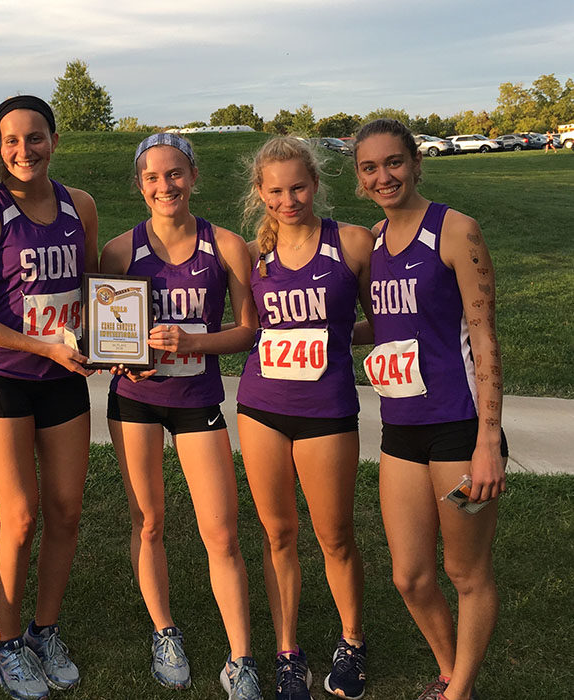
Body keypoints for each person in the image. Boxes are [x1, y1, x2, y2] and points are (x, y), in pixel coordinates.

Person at [100, 133, 262, 699]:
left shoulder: (226, 245)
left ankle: (241, 657)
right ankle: (164, 630)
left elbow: (247, 331)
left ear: (193, 177)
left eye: (175, 174)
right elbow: (109, 334)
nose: (165, 186)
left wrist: (191, 340)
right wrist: (123, 355)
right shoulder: (121, 251)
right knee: (148, 522)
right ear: (139, 185)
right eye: (152, 177)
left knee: (221, 532)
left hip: (197, 402)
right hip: (137, 403)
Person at [0, 95, 98, 700]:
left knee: (65, 510)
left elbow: (92, 291)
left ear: (54, 141)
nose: (23, 151)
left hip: (63, 379)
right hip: (2, 379)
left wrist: (115, 342)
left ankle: (44, 630)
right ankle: (7, 644)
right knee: (22, 514)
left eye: (34, 138)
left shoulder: (78, 205)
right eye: (10, 141)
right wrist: (43, 347)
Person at [353, 119, 508, 700]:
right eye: (370, 167)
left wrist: (488, 442)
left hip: (459, 430)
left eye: (393, 162)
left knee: (466, 573)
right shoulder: (373, 242)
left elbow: (484, 335)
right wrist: (328, 327)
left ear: (417, 163)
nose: (383, 176)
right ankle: (451, 670)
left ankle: (458, 690)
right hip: (401, 430)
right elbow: (391, 323)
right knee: (410, 576)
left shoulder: (455, 230)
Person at [236, 137, 373, 700]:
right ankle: (288, 651)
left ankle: (352, 640)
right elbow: (247, 329)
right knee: (279, 535)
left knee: (334, 535)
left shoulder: (353, 243)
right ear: (259, 194)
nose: (287, 199)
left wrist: (337, 340)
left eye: (297, 187)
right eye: (275, 190)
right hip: (262, 407)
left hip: (328, 408)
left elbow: (380, 318)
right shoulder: (251, 256)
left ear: (315, 184)